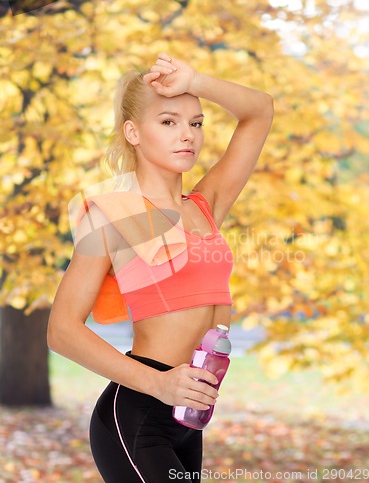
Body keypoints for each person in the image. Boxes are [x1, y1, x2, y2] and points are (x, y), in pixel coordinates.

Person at [47, 52, 274, 483]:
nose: (187, 135)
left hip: (190, 418)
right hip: (138, 412)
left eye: (196, 123)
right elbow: (61, 331)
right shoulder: (113, 216)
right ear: (133, 132)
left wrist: (196, 80)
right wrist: (159, 385)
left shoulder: (205, 208)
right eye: (168, 122)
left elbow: (260, 111)